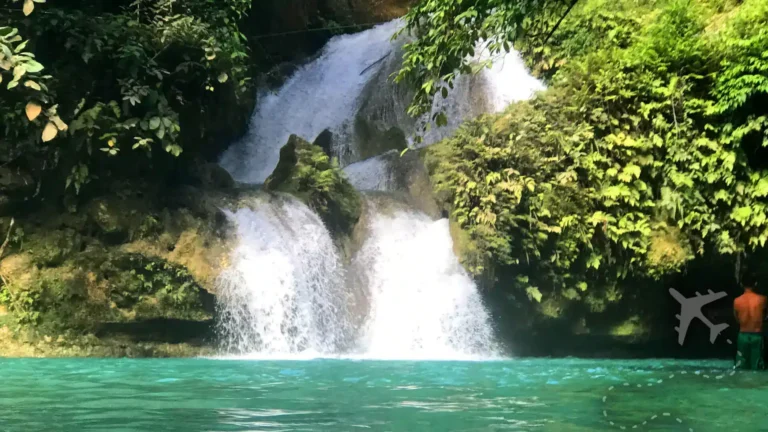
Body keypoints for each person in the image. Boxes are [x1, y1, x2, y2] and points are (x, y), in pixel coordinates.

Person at [733, 276, 767, 370]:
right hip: (757, 335)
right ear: (755, 284)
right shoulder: (762, 299)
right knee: (757, 366)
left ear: (741, 284)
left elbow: (737, 319)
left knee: (741, 366)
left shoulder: (737, 301)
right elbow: (765, 317)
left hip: (742, 335)